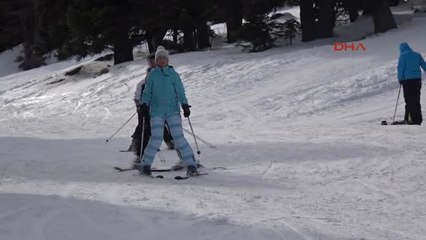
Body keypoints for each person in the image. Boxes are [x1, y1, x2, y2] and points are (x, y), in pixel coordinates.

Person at [138, 46, 198, 176]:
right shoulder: (152, 75)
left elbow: (180, 92)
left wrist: (185, 105)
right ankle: (145, 165)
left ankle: (192, 165)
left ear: (168, 60)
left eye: (164, 58)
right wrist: (144, 104)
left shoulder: (173, 75)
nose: (162, 60)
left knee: (179, 138)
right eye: (159, 58)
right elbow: (147, 92)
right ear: (156, 60)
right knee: (156, 138)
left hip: (172, 111)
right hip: (156, 112)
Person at [131, 54, 175, 167]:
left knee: (165, 125)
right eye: (150, 62)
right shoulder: (147, 78)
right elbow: (140, 92)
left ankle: (172, 142)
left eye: (153, 61)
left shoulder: (167, 73)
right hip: (146, 108)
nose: (152, 63)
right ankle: (140, 156)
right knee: (144, 129)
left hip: (162, 108)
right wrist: (140, 105)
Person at [397, 42, 426, 125]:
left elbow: (400, 68)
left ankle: (410, 119)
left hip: (408, 82)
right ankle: (418, 119)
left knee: (409, 101)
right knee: (416, 100)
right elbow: (424, 65)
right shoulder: (417, 55)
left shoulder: (402, 56)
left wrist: (400, 79)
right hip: (417, 81)